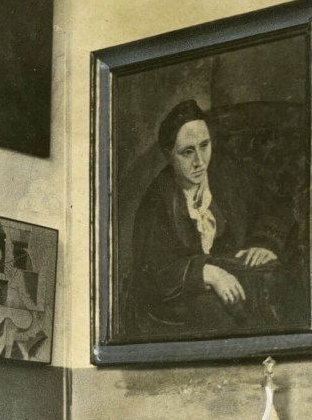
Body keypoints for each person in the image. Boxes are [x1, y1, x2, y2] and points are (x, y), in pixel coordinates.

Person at [126, 98, 299, 340]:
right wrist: (208, 273)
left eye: (204, 146)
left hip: (234, 274)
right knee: (215, 315)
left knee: (278, 285)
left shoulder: (227, 172)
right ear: (169, 155)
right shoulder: (157, 202)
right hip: (177, 301)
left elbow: (276, 205)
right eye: (187, 152)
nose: (199, 161)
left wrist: (265, 242)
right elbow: (153, 272)